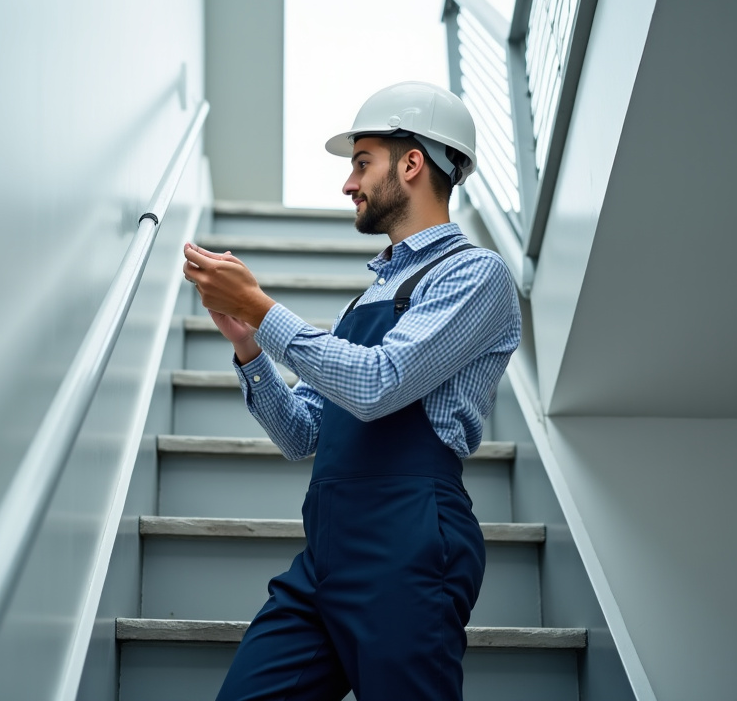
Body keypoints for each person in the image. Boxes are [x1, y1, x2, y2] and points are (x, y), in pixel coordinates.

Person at [181, 80, 522, 701]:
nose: (348, 184)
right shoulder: (368, 298)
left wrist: (262, 308)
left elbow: (377, 385)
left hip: (408, 543)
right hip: (328, 550)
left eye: (362, 163)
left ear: (412, 163)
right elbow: (302, 433)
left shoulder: (477, 275)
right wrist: (248, 346)